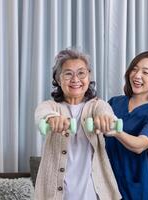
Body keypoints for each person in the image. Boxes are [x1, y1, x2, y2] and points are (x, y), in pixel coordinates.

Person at [34, 49, 121, 200]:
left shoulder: (97, 105)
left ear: (89, 77)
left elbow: (105, 112)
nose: (75, 79)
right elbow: (42, 114)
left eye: (81, 73)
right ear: (58, 79)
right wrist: (52, 119)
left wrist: (105, 119)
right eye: (68, 74)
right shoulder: (51, 106)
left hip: (92, 193)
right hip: (56, 194)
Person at [104, 51, 148, 200]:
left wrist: (116, 131)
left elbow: (139, 145)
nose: (137, 75)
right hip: (109, 184)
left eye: (145, 72)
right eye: (134, 69)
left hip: (138, 188)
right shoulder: (114, 103)